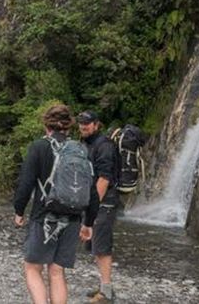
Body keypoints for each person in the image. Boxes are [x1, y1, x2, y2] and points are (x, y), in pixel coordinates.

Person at [14, 104, 99, 304]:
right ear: (69, 126)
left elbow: (25, 183)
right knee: (57, 271)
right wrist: (88, 222)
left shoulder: (39, 147)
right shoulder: (80, 149)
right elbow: (92, 190)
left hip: (44, 216)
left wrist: (19, 210)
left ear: (46, 125)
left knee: (32, 268)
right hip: (73, 218)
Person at [77, 111, 119, 303]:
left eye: (87, 123)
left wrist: (92, 207)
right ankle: (104, 285)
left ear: (96, 124)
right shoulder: (87, 143)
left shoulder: (105, 146)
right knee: (94, 244)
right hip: (93, 200)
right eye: (81, 123)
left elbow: (104, 179)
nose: (83, 126)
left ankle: (106, 292)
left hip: (105, 201)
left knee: (102, 246)